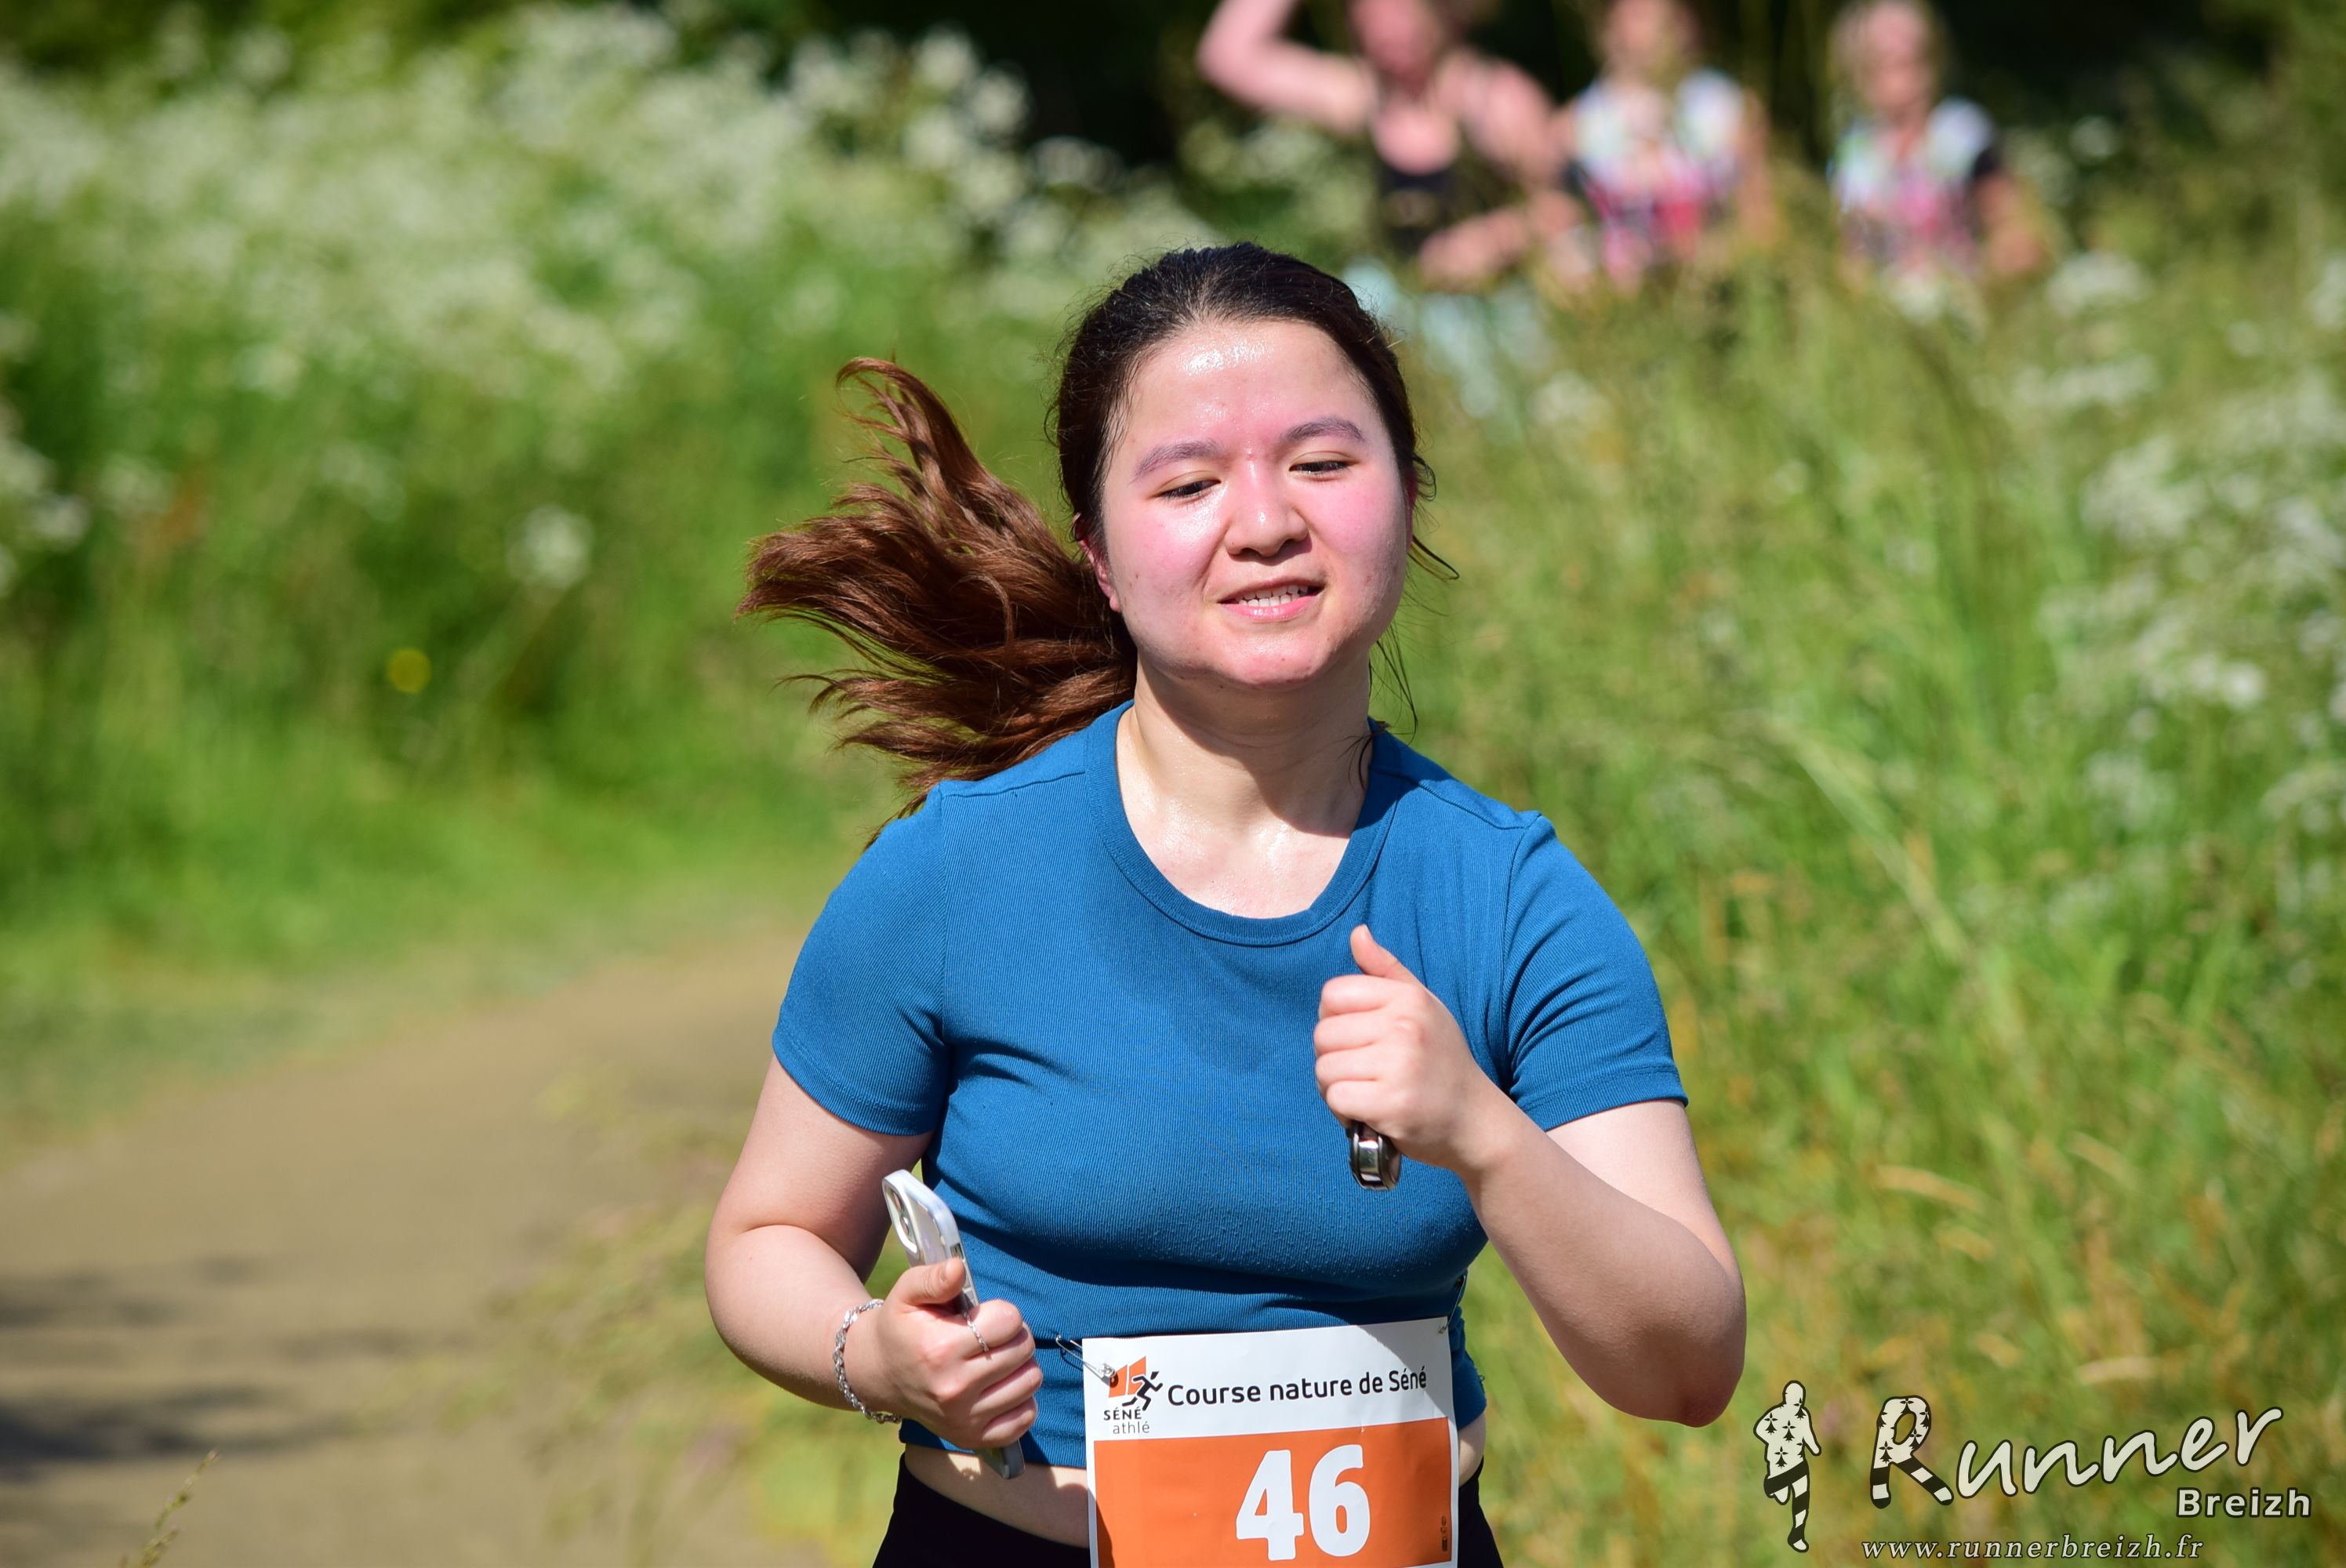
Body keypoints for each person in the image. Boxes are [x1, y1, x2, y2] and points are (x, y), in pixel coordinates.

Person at [704, 243, 1745, 1563]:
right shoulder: (956, 873)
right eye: (1189, 484)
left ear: (1407, 494)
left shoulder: (1510, 897)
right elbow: (767, 1235)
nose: (1264, 522)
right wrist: (876, 1354)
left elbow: (1686, 1368)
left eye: (1322, 464)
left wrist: (1484, 1136)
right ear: (1099, 552)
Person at [1196, 0, 1555, 289]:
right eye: (1368, 13)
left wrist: (1492, 240)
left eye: (1398, 10)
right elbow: (1229, 58)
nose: (1382, 30)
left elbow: (1563, 206)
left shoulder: (1495, 98)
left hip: (1506, 305)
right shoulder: (1363, 98)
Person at [1535, 0, 1776, 294]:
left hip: (1716, 290)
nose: (1662, 25)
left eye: (1672, 12)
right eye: (1642, 13)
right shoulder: (1571, 131)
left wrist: (1700, 256)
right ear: (1609, 23)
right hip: (1618, 302)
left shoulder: (1729, 109)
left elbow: (1764, 227)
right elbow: (1555, 253)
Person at [1826, 0, 2043, 295]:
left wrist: (1984, 283)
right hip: (1882, 305)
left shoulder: (1963, 133)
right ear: (1860, 73)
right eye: (1887, 62)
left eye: (1915, 58)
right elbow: (1849, 256)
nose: (1906, 78)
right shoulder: (1852, 153)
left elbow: (2015, 230)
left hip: (1966, 296)